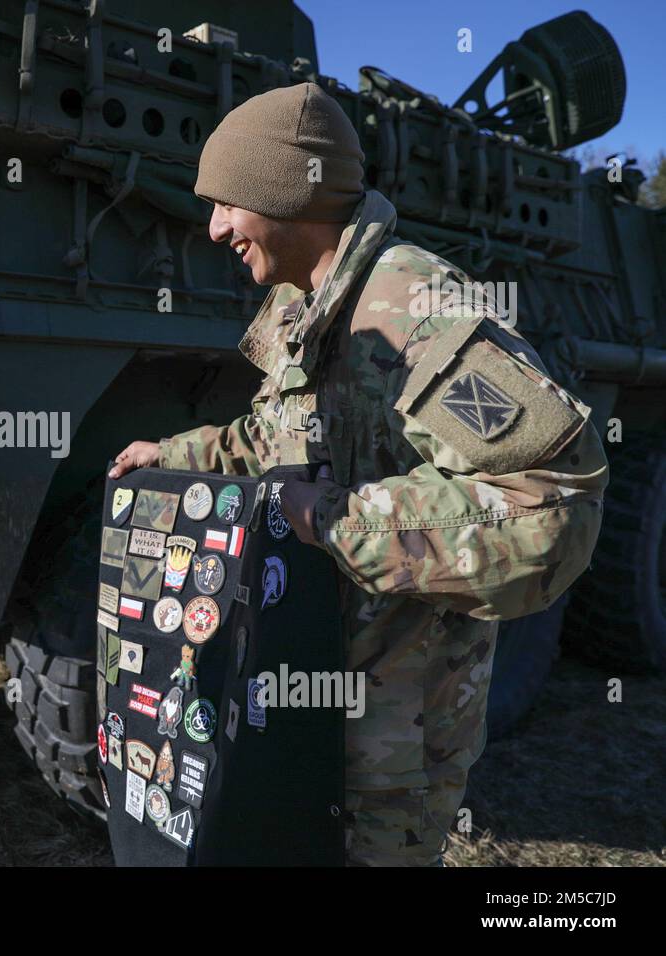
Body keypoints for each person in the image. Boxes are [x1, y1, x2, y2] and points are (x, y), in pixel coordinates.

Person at [110, 82, 607, 865]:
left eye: (227, 201)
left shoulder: (411, 311)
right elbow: (279, 439)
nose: (213, 228)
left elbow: (550, 507)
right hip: (309, 703)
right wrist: (172, 456)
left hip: (391, 745)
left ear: (283, 190)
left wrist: (334, 520)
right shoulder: (307, 305)